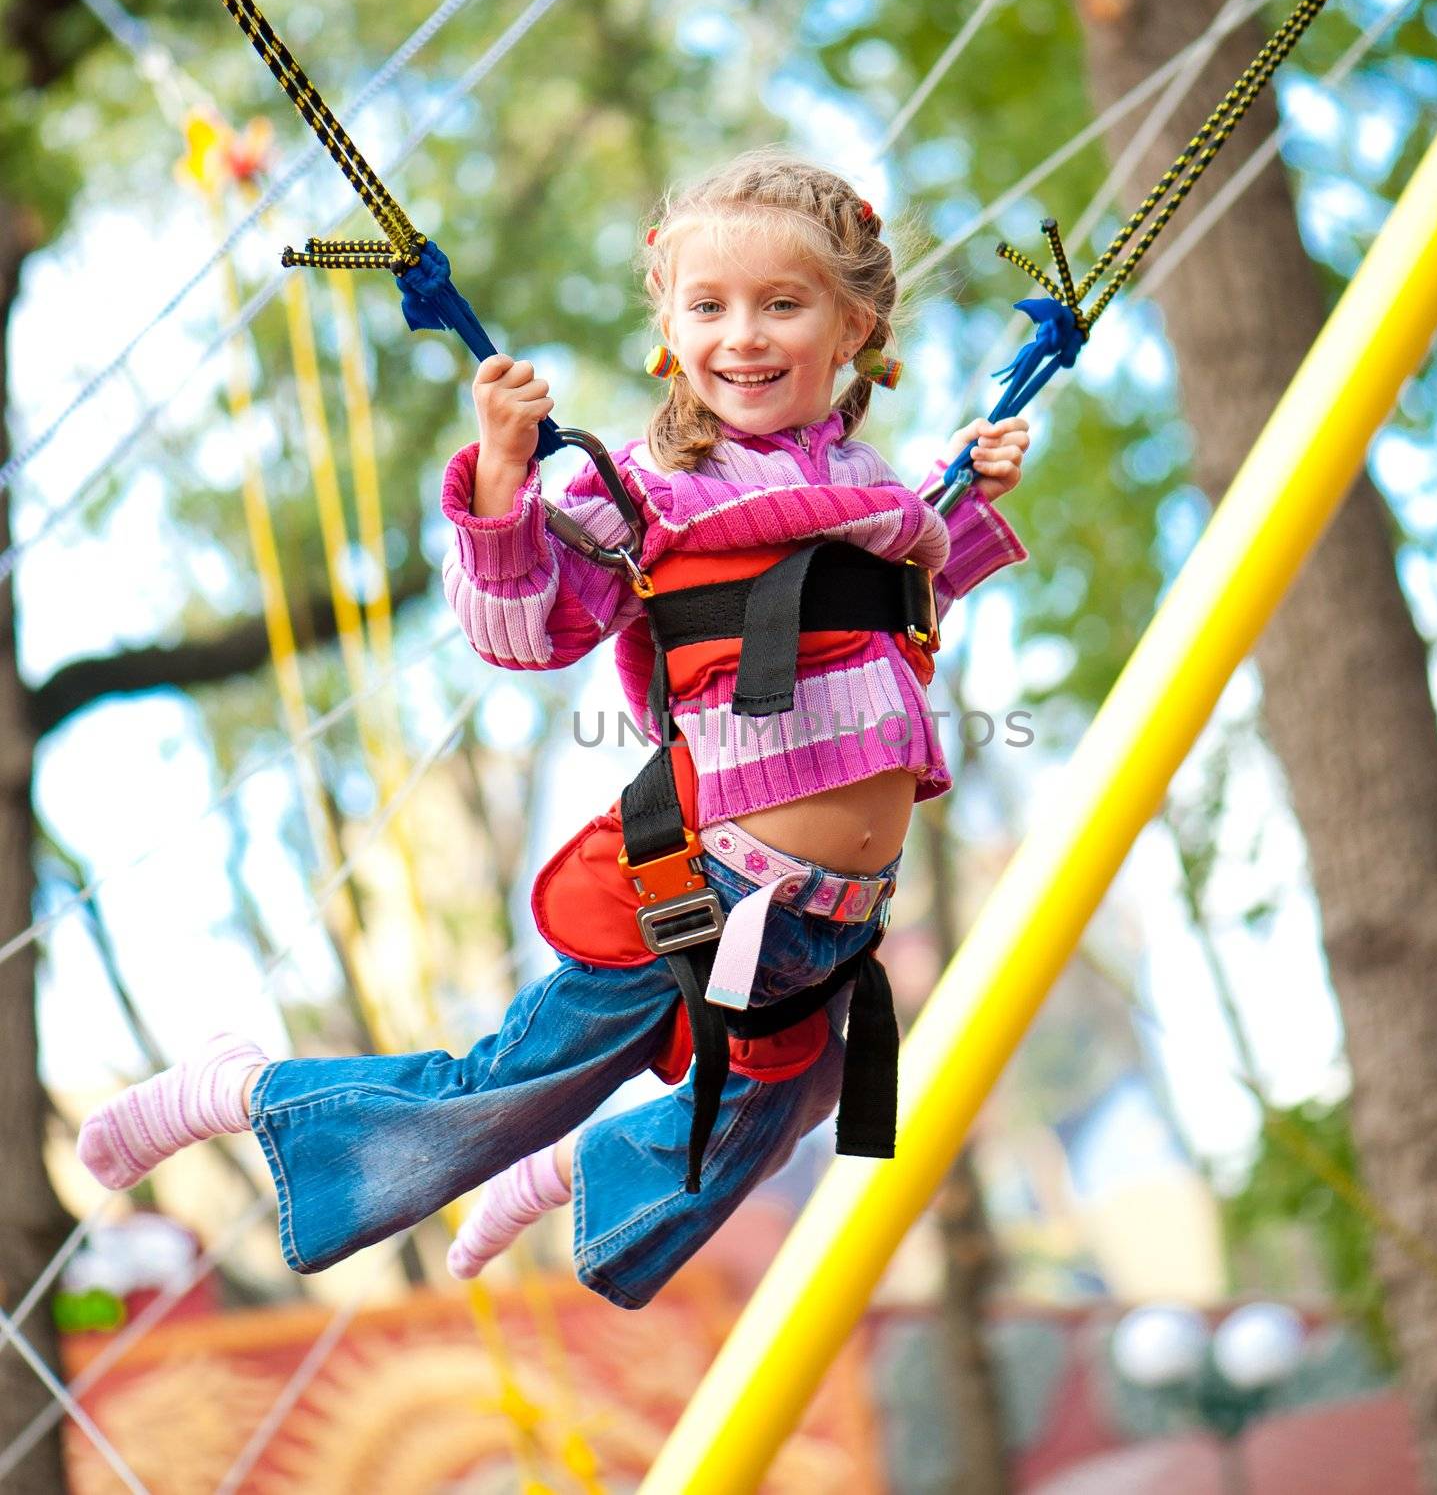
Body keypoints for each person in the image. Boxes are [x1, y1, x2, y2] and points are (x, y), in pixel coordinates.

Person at [77, 148, 1033, 1309]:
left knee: (781, 1101)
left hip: (831, 920)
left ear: (853, 326)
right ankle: (239, 1092)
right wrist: (500, 477)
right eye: (710, 307)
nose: (744, 335)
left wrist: (962, 503)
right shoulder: (647, 492)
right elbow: (522, 633)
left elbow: (883, 649)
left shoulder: (879, 493)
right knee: (505, 1088)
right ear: (669, 329)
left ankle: (579, 1171)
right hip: (705, 880)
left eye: (782, 305)